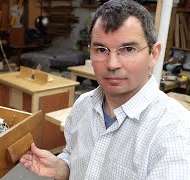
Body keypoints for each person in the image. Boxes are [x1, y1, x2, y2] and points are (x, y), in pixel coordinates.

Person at [20, 0, 190, 179]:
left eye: (128, 49)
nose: (112, 64)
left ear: (153, 54)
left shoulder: (176, 131)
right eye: (101, 49)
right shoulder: (83, 106)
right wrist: (62, 168)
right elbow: (73, 155)